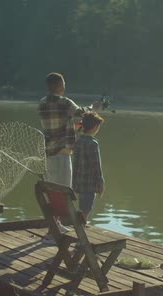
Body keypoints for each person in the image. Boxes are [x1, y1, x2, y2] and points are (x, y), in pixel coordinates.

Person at [38, 72, 100, 240]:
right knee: (64, 192)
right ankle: (54, 230)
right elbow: (83, 115)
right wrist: (94, 109)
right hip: (62, 154)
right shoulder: (65, 103)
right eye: (63, 84)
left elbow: (63, 122)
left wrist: (72, 125)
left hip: (48, 154)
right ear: (59, 86)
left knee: (51, 191)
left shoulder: (42, 103)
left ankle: (54, 225)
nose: (64, 87)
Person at [72, 112, 105, 219]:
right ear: (95, 127)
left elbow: (75, 162)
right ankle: (82, 223)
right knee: (88, 206)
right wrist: (100, 182)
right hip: (90, 182)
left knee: (83, 205)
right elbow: (96, 165)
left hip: (79, 180)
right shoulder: (93, 143)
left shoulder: (78, 140)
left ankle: (81, 221)